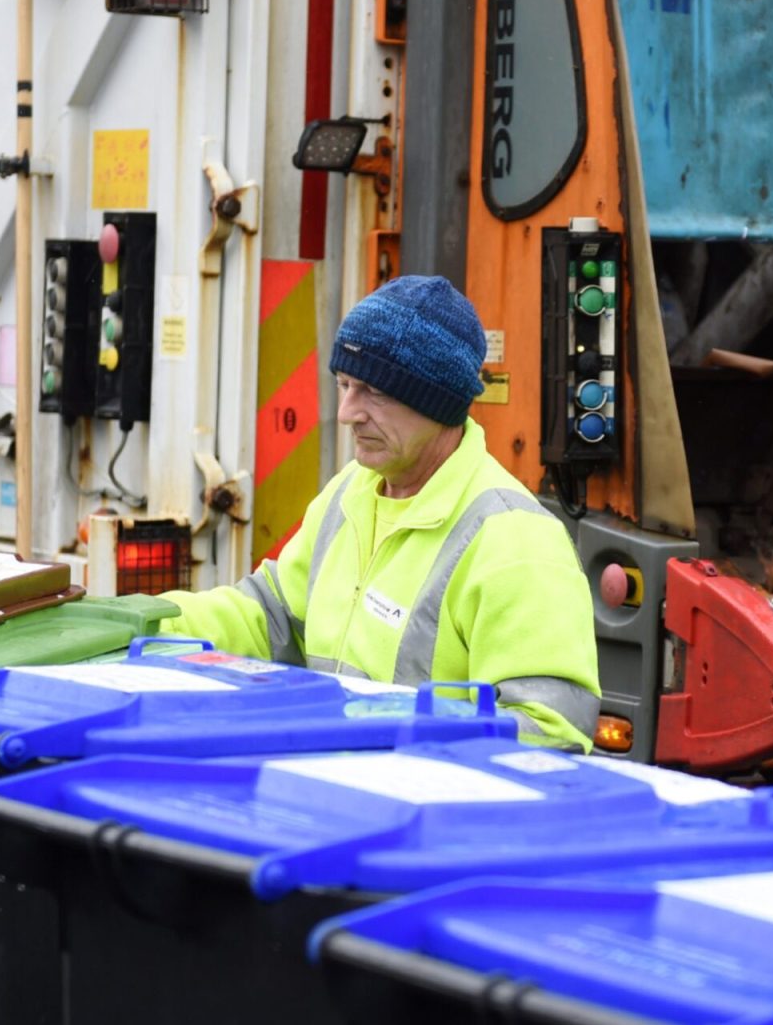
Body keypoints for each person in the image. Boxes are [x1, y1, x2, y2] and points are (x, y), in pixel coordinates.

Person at [163, 275, 602, 749]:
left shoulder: (516, 540)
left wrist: (397, 743)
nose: (347, 412)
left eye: (375, 391)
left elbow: (553, 729)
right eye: (344, 385)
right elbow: (267, 616)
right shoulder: (350, 494)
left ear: (438, 403)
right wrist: (133, 619)